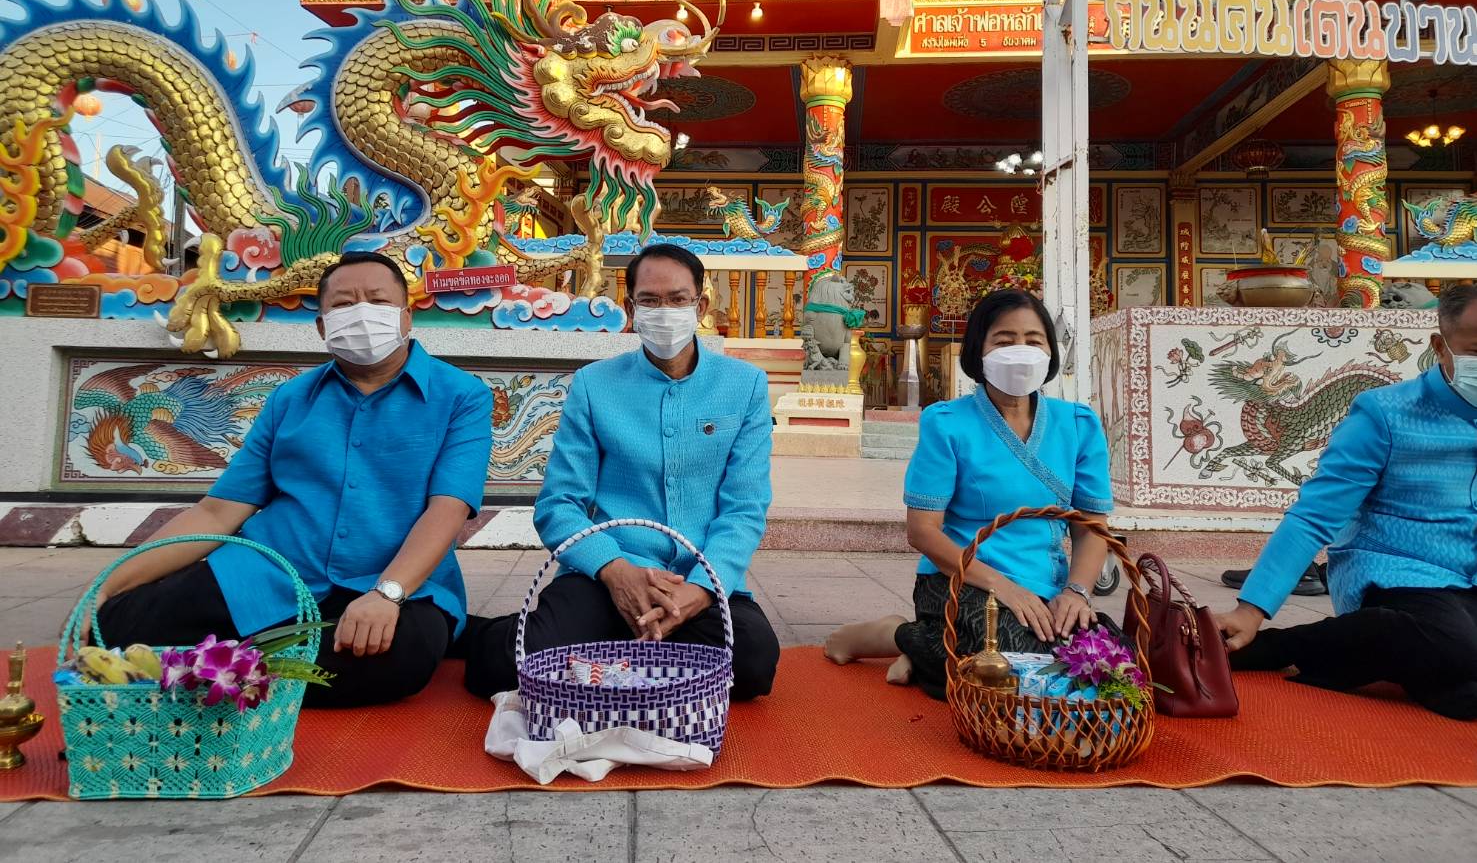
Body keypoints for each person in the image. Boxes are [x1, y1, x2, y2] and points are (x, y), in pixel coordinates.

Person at [88, 251, 493, 708]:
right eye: (342, 305)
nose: (361, 313)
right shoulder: (290, 399)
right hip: (272, 572)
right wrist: (107, 584)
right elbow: (218, 511)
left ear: (406, 316)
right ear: (322, 327)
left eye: (377, 301)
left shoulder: (462, 396)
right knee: (115, 626)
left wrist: (387, 594)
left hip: (393, 584)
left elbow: (448, 508)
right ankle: (254, 667)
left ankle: (223, 670)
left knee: (402, 659)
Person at [460, 244, 780, 701]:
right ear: (631, 308)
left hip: (698, 581)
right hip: (607, 574)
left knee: (751, 665)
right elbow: (559, 505)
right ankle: (492, 630)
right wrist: (616, 570)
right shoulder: (594, 385)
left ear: (701, 306)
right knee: (503, 666)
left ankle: (617, 649)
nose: (663, 311)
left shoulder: (744, 385)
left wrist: (702, 590)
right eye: (649, 300)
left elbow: (744, 508)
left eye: (677, 299)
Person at [824, 290, 1115, 699]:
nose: (1020, 351)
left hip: (1046, 583)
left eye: (1034, 341)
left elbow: (1092, 527)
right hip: (961, 577)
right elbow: (923, 532)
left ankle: (927, 650)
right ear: (979, 349)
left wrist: (1077, 592)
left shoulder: (1079, 424)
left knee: (1109, 662)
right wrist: (1004, 588)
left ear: (1051, 351)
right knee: (1012, 669)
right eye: (1004, 339)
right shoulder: (946, 422)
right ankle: (899, 633)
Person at [1215, 282, 1477, 720]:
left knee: (1460, 664)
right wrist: (1251, 608)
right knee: (1453, 644)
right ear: (1441, 346)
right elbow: (1314, 516)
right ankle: (1279, 647)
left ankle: (1439, 676)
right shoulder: (1385, 413)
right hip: (1402, 575)